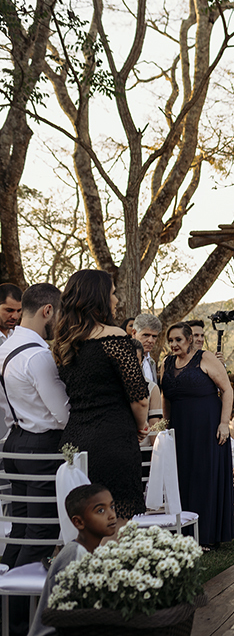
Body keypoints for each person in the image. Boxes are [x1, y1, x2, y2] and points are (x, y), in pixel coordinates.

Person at [54, 270, 149, 526]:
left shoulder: (64, 341)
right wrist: (140, 427)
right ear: (99, 298)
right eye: (113, 293)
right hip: (112, 440)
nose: (116, 300)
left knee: (84, 526)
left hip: (74, 443)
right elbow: (139, 397)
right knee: (115, 523)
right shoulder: (114, 337)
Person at [0, 284, 70, 569]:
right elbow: (62, 413)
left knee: (20, 531)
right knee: (41, 533)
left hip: (15, 442)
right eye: (61, 314)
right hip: (40, 447)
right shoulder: (38, 356)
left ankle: (7, 607)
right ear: (48, 311)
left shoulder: (6, 347)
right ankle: (22, 613)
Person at [161, 322, 234, 547]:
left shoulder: (205, 358)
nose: (174, 344)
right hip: (180, 428)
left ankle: (207, 535)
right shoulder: (166, 363)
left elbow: (227, 389)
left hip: (207, 426)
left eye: (178, 340)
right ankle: (183, 534)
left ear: (189, 339)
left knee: (204, 476)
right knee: (182, 477)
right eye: (170, 340)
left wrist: (224, 423)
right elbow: (165, 397)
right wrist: (166, 426)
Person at [27, 484, 117, 636]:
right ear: (79, 522)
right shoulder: (74, 555)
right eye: (100, 510)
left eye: (112, 506)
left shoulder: (97, 551)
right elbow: (71, 617)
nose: (111, 515)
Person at [132, 313, 162, 383]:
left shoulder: (152, 362)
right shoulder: (126, 359)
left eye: (154, 336)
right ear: (134, 333)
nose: (150, 341)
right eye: (146, 335)